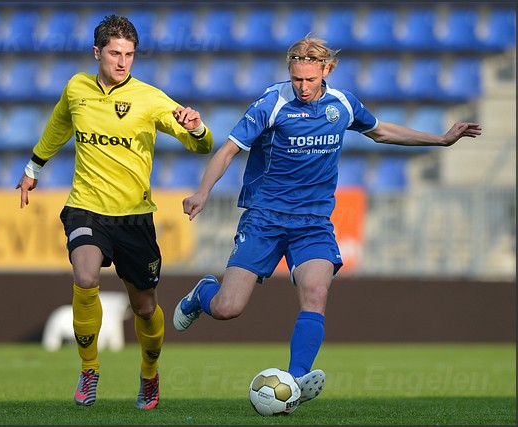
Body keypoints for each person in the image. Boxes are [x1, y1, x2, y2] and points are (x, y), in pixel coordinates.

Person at [172, 34, 482, 404]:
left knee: (316, 293)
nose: (302, 87)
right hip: (265, 218)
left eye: (310, 79)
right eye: (296, 78)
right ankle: (202, 293)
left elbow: (381, 131)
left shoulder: (342, 105)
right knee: (228, 308)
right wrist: (203, 191)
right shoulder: (271, 103)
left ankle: (296, 381)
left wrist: (441, 140)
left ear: (327, 70)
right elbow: (228, 151)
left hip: (313, 222)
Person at [16, 15, 213, 409]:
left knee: (144, 307)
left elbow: (202, 147)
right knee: (86, 277)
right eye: (115, 53)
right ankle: (89, 369)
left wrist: (196, 128)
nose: (122, 62)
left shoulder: (151, 98)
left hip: (135, 218)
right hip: (85, 208)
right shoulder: (77, 88)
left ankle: (149, 373)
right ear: (97, 53)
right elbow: (59, 124)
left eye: (129, 55)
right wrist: (32, 168)